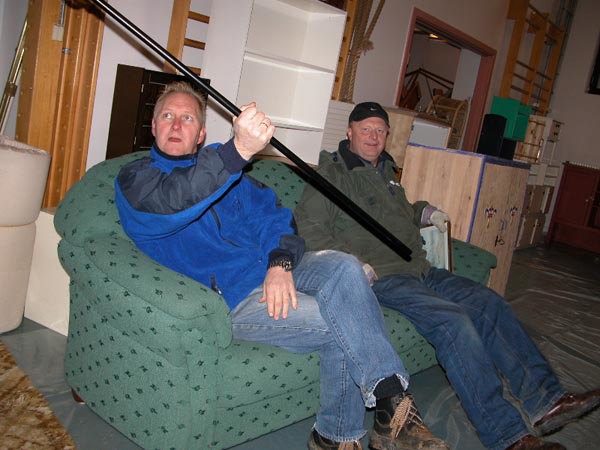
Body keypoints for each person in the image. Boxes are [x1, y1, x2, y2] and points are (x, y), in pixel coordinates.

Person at [114, 82, 451, 450]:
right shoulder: (138, 180)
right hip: (235, 297)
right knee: (342, 320)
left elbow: (275, 217)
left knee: (344, 266)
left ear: (202, 133)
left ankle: (388, 403)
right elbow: (177, 199)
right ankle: (340, 436)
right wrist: (236, 151)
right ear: (154, 126)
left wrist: (280, 262)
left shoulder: (229, 173)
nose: (177, 125)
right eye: (168, 116)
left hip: (277, 271)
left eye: (188, 118)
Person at [294, 102, 600, 450]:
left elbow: (399, 213)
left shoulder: (387, 171)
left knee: (489, 303)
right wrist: (352, 262)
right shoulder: (331, 175)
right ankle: (510, 437)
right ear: (349, 132)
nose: (374, 137)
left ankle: (548, 401)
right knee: (454, 321)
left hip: (420, 269)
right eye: (366, 129)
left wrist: (423, 212)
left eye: (381, 130)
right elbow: (309, 229)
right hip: (384, 277)